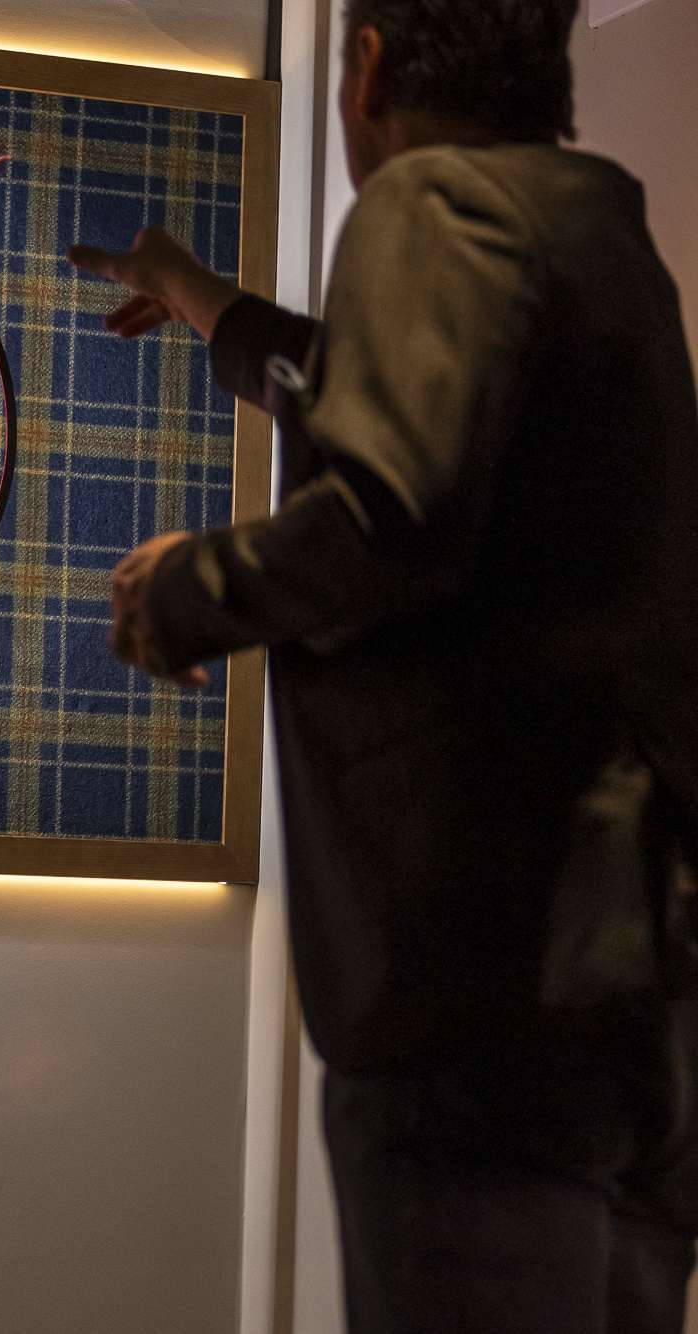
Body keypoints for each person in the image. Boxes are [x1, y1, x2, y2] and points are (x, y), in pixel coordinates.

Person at [68, 0, 698, 1329]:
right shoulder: (597, 239)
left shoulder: (429, 203)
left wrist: (184, 590)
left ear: (364, 66)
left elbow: (394, 509)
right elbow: (402, 404)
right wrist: (205, 302)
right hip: (635, 1005)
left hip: (473, 993)